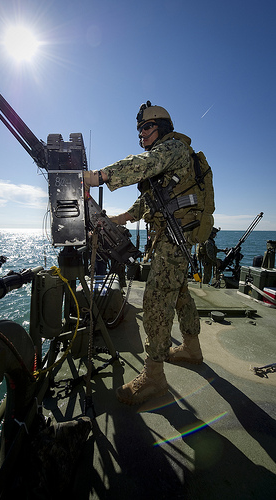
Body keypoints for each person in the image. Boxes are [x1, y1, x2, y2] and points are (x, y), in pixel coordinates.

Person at [83, 101, 214, 405]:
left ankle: (154, 377)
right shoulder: (169, 160)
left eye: (147, 127)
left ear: (163, 127)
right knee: (179, 291)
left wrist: (98, 176)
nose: (142, 134)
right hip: (174, 235)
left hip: (174, 236)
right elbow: (148, 204)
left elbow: (141, 164)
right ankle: (192, 348)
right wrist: (120, 218)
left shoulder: (172, 149)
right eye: (139, 129)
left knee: (156, 299)